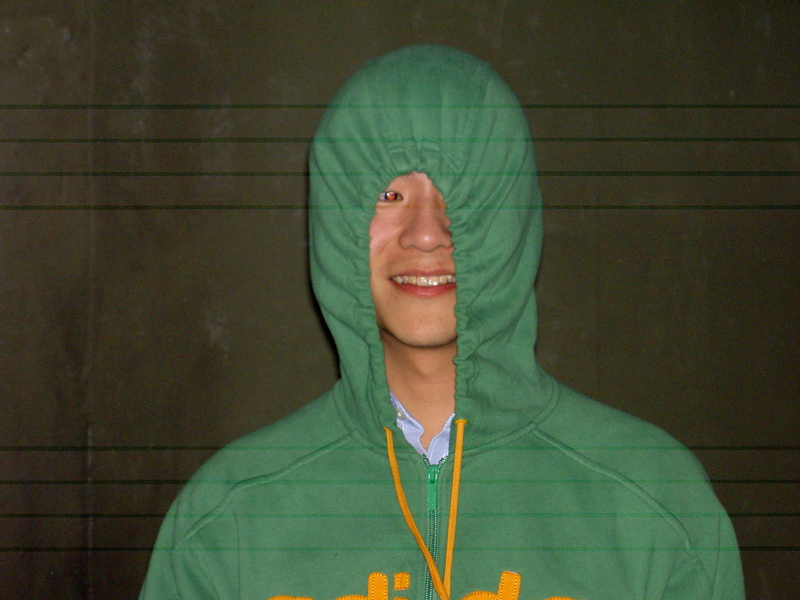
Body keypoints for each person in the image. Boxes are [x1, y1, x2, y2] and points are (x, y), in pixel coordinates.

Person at [139, 45, 744, 600]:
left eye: (460, 192)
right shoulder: (228, 524)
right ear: (335, 222)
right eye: (389, 196)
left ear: (510, 214)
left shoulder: (655, 507)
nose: (427, 234)